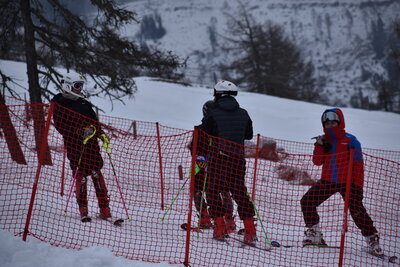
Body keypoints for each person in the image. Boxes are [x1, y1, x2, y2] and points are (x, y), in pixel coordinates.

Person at [300, 108, 383, 256]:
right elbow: (317, 162)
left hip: (348, 182)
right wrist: (319, 146)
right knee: (307, 201)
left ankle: (372, 239)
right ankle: (314, 234)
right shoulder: (323, 140)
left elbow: (358, 165)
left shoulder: (350, 140)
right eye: (327, 123)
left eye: (333, 122)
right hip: (328, 181)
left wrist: (357, 186)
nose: (330, 125)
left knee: (356, 210)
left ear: (340, 122)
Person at [196, 80, 256, 245]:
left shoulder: (213, 113)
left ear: (218, 95)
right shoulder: (244, 113)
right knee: (240, 193)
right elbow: (249, 135)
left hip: (219, 158)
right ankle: (250, 231)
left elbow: (205, 132)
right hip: (238, 159)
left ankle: (220, 228)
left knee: (213, 191)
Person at [51, 74, 111, 223]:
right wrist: (79, 132)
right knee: (81, 174)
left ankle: (105, 209)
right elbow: (61, 127)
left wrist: (101, 134)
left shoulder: (84, 104)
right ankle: (83, 209)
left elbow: (94, 123)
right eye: (77, 86)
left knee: (96, 172)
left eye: (81, 86)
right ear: (68, 86)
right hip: (75, 146)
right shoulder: (60, 104)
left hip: (91, 146)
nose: (80, 89)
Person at [188, 100, 236, 231]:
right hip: (220, 164)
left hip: (203, 164)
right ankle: (228, 220)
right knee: (224, 190)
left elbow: (193, 147)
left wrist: (199, 156)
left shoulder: (200, 129)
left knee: (197, 189)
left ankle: (205, 218)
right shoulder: (225, 130)